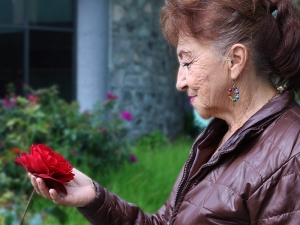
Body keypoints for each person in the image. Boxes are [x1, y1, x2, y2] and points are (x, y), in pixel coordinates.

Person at [29, 0, 300, 224]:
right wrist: (94, 198)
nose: (180, 82)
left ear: (235, 60)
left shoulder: (291, 154)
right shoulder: (219, 135)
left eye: (187, 62)